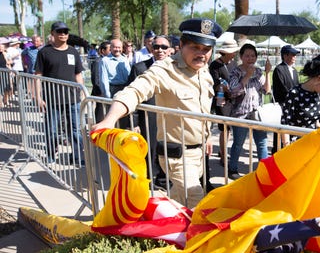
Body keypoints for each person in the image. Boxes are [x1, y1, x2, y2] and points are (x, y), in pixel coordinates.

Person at [91, 18, 223, 209]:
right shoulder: (165, 69)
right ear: (182, 45)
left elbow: (201, 109)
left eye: (206, 49)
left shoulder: (204, 71)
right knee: (196, 200)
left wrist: (207, 136)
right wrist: (109, 120)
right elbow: (134, 91)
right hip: (177, 156)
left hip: (199, 153)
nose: (201, 54)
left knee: (177, 204)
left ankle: (162, 234)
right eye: (195, 47)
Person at [35, 21, 85, 165]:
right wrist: (38, 97)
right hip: (52, 99)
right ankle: (51, 155)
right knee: (51, 130)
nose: (63, 34)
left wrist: (82, 93)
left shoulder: (73, 52)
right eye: (59, 31)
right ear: (53, 34)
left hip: (72, 98)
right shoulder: (44, 52)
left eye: (65, 31)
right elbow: (38, 76)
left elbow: (78, 75)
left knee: (75, 130)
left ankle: (77, 156)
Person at [130, 35, 170, 188]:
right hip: (148, 118)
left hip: (170, 118)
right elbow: (132, 95)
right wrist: (134, 122)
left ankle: (163, 179)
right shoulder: (139, 68)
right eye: (156, 47)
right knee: (150, 150)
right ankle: (148, 182)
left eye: (164, 47)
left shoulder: (176, 68)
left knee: (167, 149)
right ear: (151, 49)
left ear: (170, 50)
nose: (160, 50)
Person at [227, 43, 272, 180]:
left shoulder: (258, 72)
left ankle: (263, 171)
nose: (250, 58)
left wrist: (267, 72)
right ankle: (232, 169)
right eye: (247, 56)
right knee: (238, 143)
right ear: (241, 57)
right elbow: (233, 91)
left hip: (257, 113)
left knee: (262, 142)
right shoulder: (235, 72)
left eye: (253, 56)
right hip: (240, 114)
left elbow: (267, 90)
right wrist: (247, 76)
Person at [281, 58, 320, 145]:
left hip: (311, 144)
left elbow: (314, 121)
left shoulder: (317, 94)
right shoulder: (294, 93)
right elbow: (284, 124)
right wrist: (286, 146)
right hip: (295, 146)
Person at [208, 38, 240, 162]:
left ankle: (224, 151)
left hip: (232, 99)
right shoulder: (215, 65)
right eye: (233, 52)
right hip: (221, 100)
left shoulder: (233, 64)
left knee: (229, 128)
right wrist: (224, 87)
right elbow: (214, 84)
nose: (234, 54)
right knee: (224, 128)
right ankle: (222, 154)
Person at [271, 44, 300, 152]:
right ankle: (276, 151)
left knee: (290, 131)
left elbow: (297, 86)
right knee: (279, 131)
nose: (294, 57)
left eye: (295, 55)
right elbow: (282, 88)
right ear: (285, 55)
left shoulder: (294, 71)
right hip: (282, 105)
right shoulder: (279, 69)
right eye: (292, 54)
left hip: (293, 106)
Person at [90, 41, 111, 122]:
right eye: (109, 49)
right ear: (103, 51)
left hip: (106, 93)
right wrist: (100, 91)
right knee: (101, 115)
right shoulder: (98, 61)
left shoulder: (108, 61)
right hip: (100, 94)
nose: (111, 51)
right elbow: (96, 78)